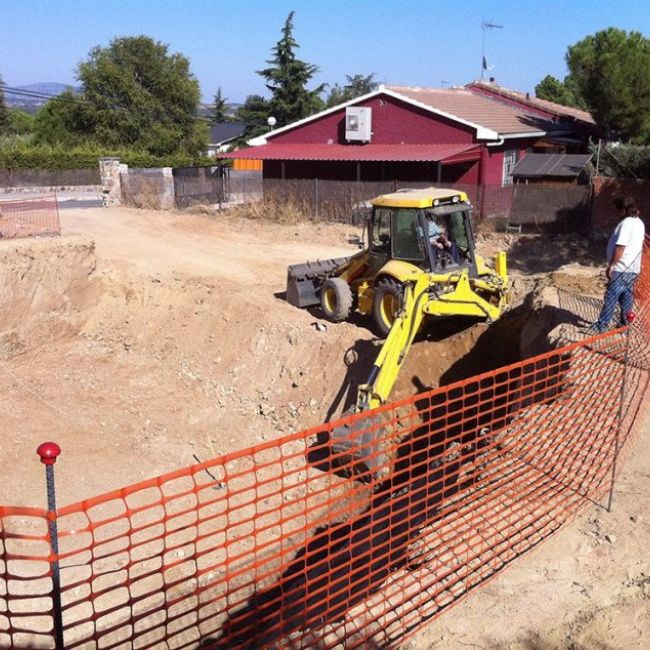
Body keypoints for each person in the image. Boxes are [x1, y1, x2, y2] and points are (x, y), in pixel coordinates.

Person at [592, 195, 645, 332]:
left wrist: (612, 266)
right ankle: (625, 325)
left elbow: (620, 247)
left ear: (623, 210)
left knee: (611, 296)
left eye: (616, 210)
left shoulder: (626, 224)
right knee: (626, 296)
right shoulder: (638, 222)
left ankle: (601, 326)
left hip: (622, 268)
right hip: (633, 269)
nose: (615, 213)